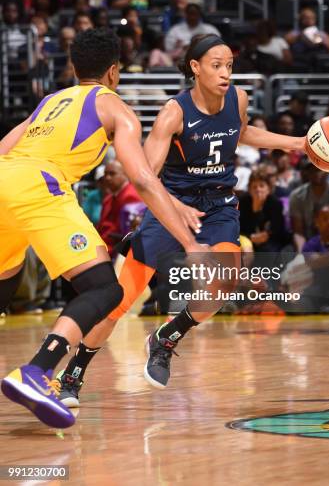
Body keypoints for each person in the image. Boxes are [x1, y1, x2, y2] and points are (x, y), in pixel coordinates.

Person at [56, 33, 306, 404]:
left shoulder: (237, 98)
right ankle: (73, 374)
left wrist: (294, 142)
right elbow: (146, 175)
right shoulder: (174, 112)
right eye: (216, 66)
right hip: (170, 206)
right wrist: (175, 205)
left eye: (229, 66)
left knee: (225, 280)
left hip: (219, 206)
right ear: (195, 67)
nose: (225, 74)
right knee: (117, 304)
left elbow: (240, 132)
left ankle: (167, 336)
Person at [0, 28, 207, 429]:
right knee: (104, 289)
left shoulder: (48, 101)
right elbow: (144, 180)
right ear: (114, 71)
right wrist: (189, 240)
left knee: (5, 281)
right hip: (39, 184)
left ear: (74, 67)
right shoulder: (115, 108)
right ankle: (38, 373)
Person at [289, 162, 329, 252]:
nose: (316, 173)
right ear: (307, 172)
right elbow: (298, 232)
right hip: (306, 242)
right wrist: (301, 254)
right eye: (312, 169)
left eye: (320, 169)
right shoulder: (296, 196)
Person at [97, 160, 142, 256]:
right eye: (105, 174)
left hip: (115, 251)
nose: (107, 178)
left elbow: (126, 233)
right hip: (102, 246)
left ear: (125, 174)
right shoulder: (109, 199)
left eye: (112, 174)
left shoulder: (130, 196)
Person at [239, 170, 290, 252]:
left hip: (270, 241)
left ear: (268, 189)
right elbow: (238, 228)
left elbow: (278, 230)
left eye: (261, 186)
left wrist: (267, 235)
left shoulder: (275, 203)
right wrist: (251, 237)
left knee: (268, 250)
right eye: (254, 187)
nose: (258, 189)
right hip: (247, 238)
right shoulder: (242, 202)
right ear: (249, 190)